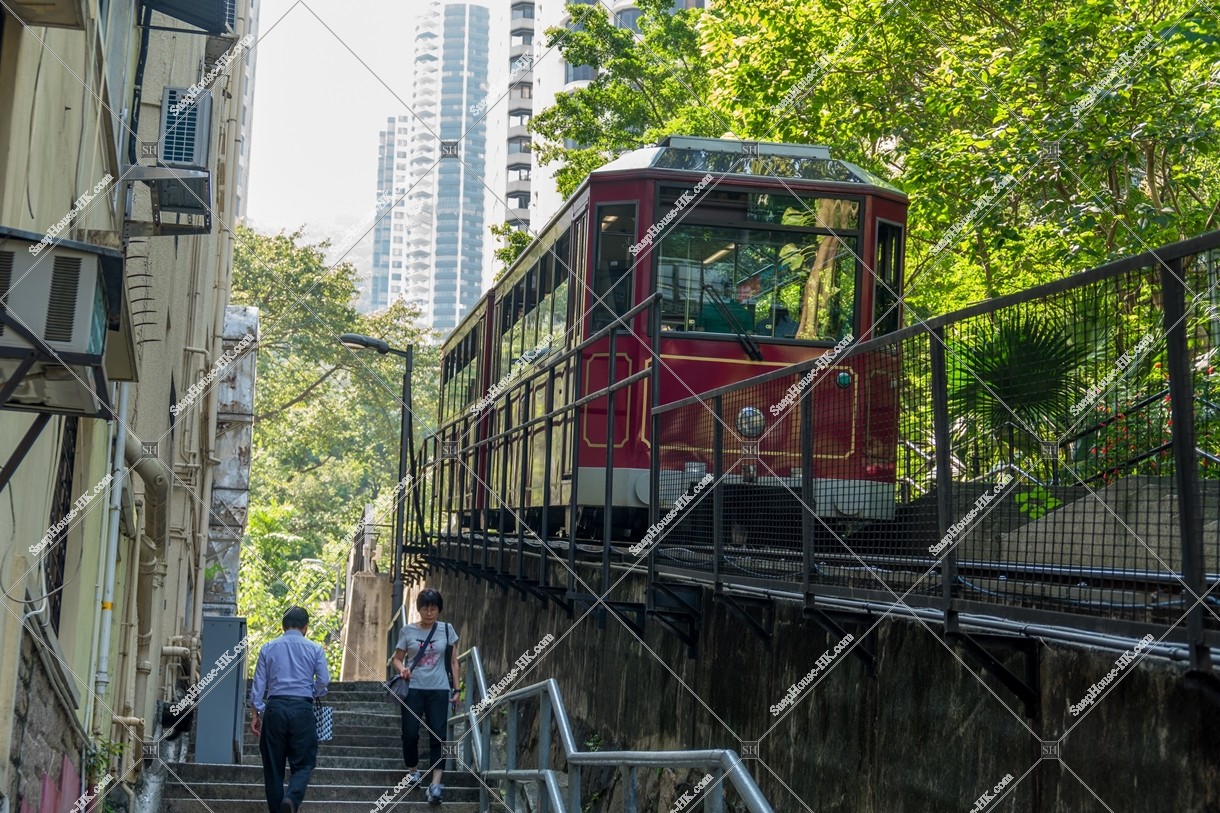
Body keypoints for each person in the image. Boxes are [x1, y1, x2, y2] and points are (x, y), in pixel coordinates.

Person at [250, 606, 330, 813]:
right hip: (302, 709)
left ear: (282, 626)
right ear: (306, 627)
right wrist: (313, 692)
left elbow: (258, 684)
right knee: (303, 764)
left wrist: (256, 713)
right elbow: (323, 680)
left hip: (275, 709)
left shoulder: (268, 647)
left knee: (273, 768)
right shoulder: (314, 648)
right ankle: (292, 799)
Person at [392, 588, 460, 805]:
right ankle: (413, 770)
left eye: (434, 608)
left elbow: (453, 662)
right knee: (410, 733)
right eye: (425, 608)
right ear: (418, 609)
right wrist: (402, 669)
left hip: (439, 690)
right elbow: (396, 659)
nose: (429, 613)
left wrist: (457, 689)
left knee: (439, 736)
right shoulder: (407, 631)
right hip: (413, 689)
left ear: (439, 609)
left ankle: (436, 784)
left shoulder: (447, 630)